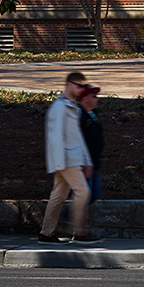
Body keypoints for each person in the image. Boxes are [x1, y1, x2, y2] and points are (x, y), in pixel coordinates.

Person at [38, 72, 94, 245]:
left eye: (83, 87)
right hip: (67, 160)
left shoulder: (72, 107)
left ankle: (46, 233)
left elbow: (77, 137)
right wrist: (59, 163)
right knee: (83, 191)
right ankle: (79, 232)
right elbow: (55, 137)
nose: (81, 90)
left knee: (57, 197)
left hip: (71, 159)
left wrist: (87, 161)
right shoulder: (60, 107)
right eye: (79, 86)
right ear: (69, 84)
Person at [77, 85, 105, 208]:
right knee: (87, 196)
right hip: (86, 164)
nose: (96, 99)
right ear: (85, 99)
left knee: (93, 194)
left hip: (94, 163)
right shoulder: (80, 117)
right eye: (93, 96)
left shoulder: (92, 114)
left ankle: (71, 219)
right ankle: (68, 217)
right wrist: (85, 164)